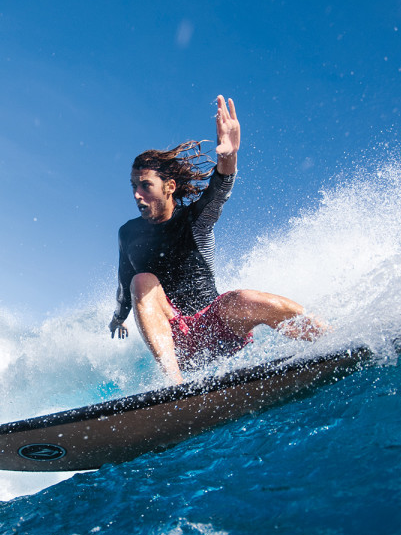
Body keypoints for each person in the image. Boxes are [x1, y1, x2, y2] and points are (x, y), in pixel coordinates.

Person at [109, 95, 324, 384]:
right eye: (134, 186)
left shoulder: (195, 220)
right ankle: (174, 387)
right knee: (141, 281)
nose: (137, 194)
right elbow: (126, 280)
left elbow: (218, 191)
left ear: (169, 187)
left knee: (244, 298)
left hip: (216, 327)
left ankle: (334, 340)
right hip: (176, 340)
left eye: (145, 186)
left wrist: (228, 155)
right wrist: (119, 316)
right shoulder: (128, 233)